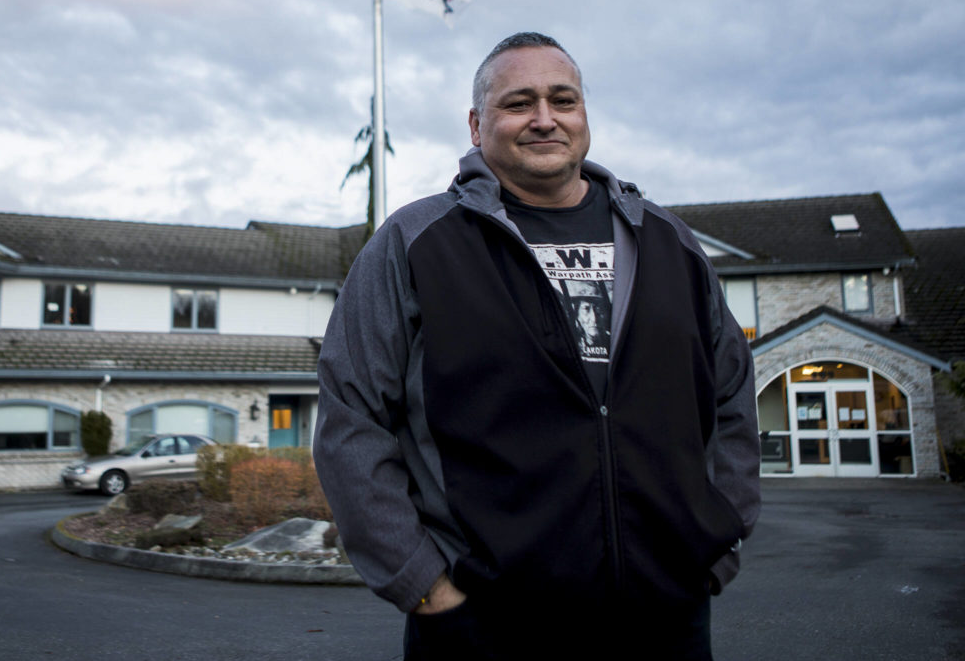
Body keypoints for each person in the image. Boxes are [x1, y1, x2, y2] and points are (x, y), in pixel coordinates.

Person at [313, 32, 760, 660]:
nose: (545, 119)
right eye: (519, 102)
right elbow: (351, 416)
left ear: (584, 116)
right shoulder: (416, 243)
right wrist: (421, 582)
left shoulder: (668, 241)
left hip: (667, 616)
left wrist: (721, 542)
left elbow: (732, 394)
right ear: (476, 124)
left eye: (563, 100)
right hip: (483, 624)